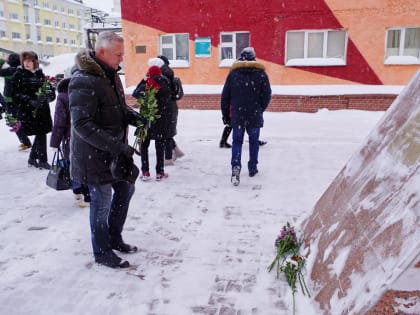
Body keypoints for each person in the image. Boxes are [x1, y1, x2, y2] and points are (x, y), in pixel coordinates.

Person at [69, 31, 144, 269]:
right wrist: (118, 146)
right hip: (93, 157)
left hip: (113, 154)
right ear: (102, 52)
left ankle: (114, 237)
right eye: (118, 54)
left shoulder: (111, 75)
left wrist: (137, 119)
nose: (121, 59)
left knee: (126, 190)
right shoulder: (84, 79)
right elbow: (82, 124)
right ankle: (102, 252)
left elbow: (119, 108)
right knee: (101, 203)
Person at [221, 47, 271, 186]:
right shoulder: (261, 74)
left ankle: (236, 166)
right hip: (254, 115)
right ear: (253, 57)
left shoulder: (233, 74)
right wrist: (260, 108)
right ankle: (253, 167)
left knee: (237, 142)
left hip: (237, 114)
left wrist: (225, 115)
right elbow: (267, 94)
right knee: (254, 142)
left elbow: (225, 96)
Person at [49, 76, 90, 208]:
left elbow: (59, 122)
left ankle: (77, 191)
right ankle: (86, 195)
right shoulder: (83, 94)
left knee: (72, 165)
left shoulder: (62, 97)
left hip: (70, 138)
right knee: (84, 166)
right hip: (86, 136)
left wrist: (55, 142)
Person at [11, 51, 55, 169]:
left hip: (42, 111)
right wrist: (30, 100)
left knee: (41, 133)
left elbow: (51, 92)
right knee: (40, 133)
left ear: (35, 62)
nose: (27, 63)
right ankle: (42, 160)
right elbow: (15, 94)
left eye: (30, 60)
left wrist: (48, 96)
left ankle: (33, 159)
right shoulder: (19, 75)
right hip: (28, 111)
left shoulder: (40, 74)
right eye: (25, 60)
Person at [132, 65, 173, 181]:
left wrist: (143, 80)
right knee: (159, 146)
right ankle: (160, 172)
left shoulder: (146, 85)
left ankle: (145, 172)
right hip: (160, 120)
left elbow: (135, 93)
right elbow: (168, 99)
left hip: (146, 120)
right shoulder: (165, 85)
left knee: (144, 146)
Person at [155, 55, 184, 165]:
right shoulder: (170, 73)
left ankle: (168, 157)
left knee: (165, 133)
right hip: (172, 107)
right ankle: (175, 151)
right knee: (168, 131)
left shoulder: (162, 75)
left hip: (164, 107)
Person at [0, 53, 32, 150]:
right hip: (16, 100)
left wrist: (2, 60)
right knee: (15, 121)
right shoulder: (20, 69)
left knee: (13, 121)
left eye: (8, 59)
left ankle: (26, 142)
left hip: (11, 101)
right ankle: (25, 141)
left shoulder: (10, 71)